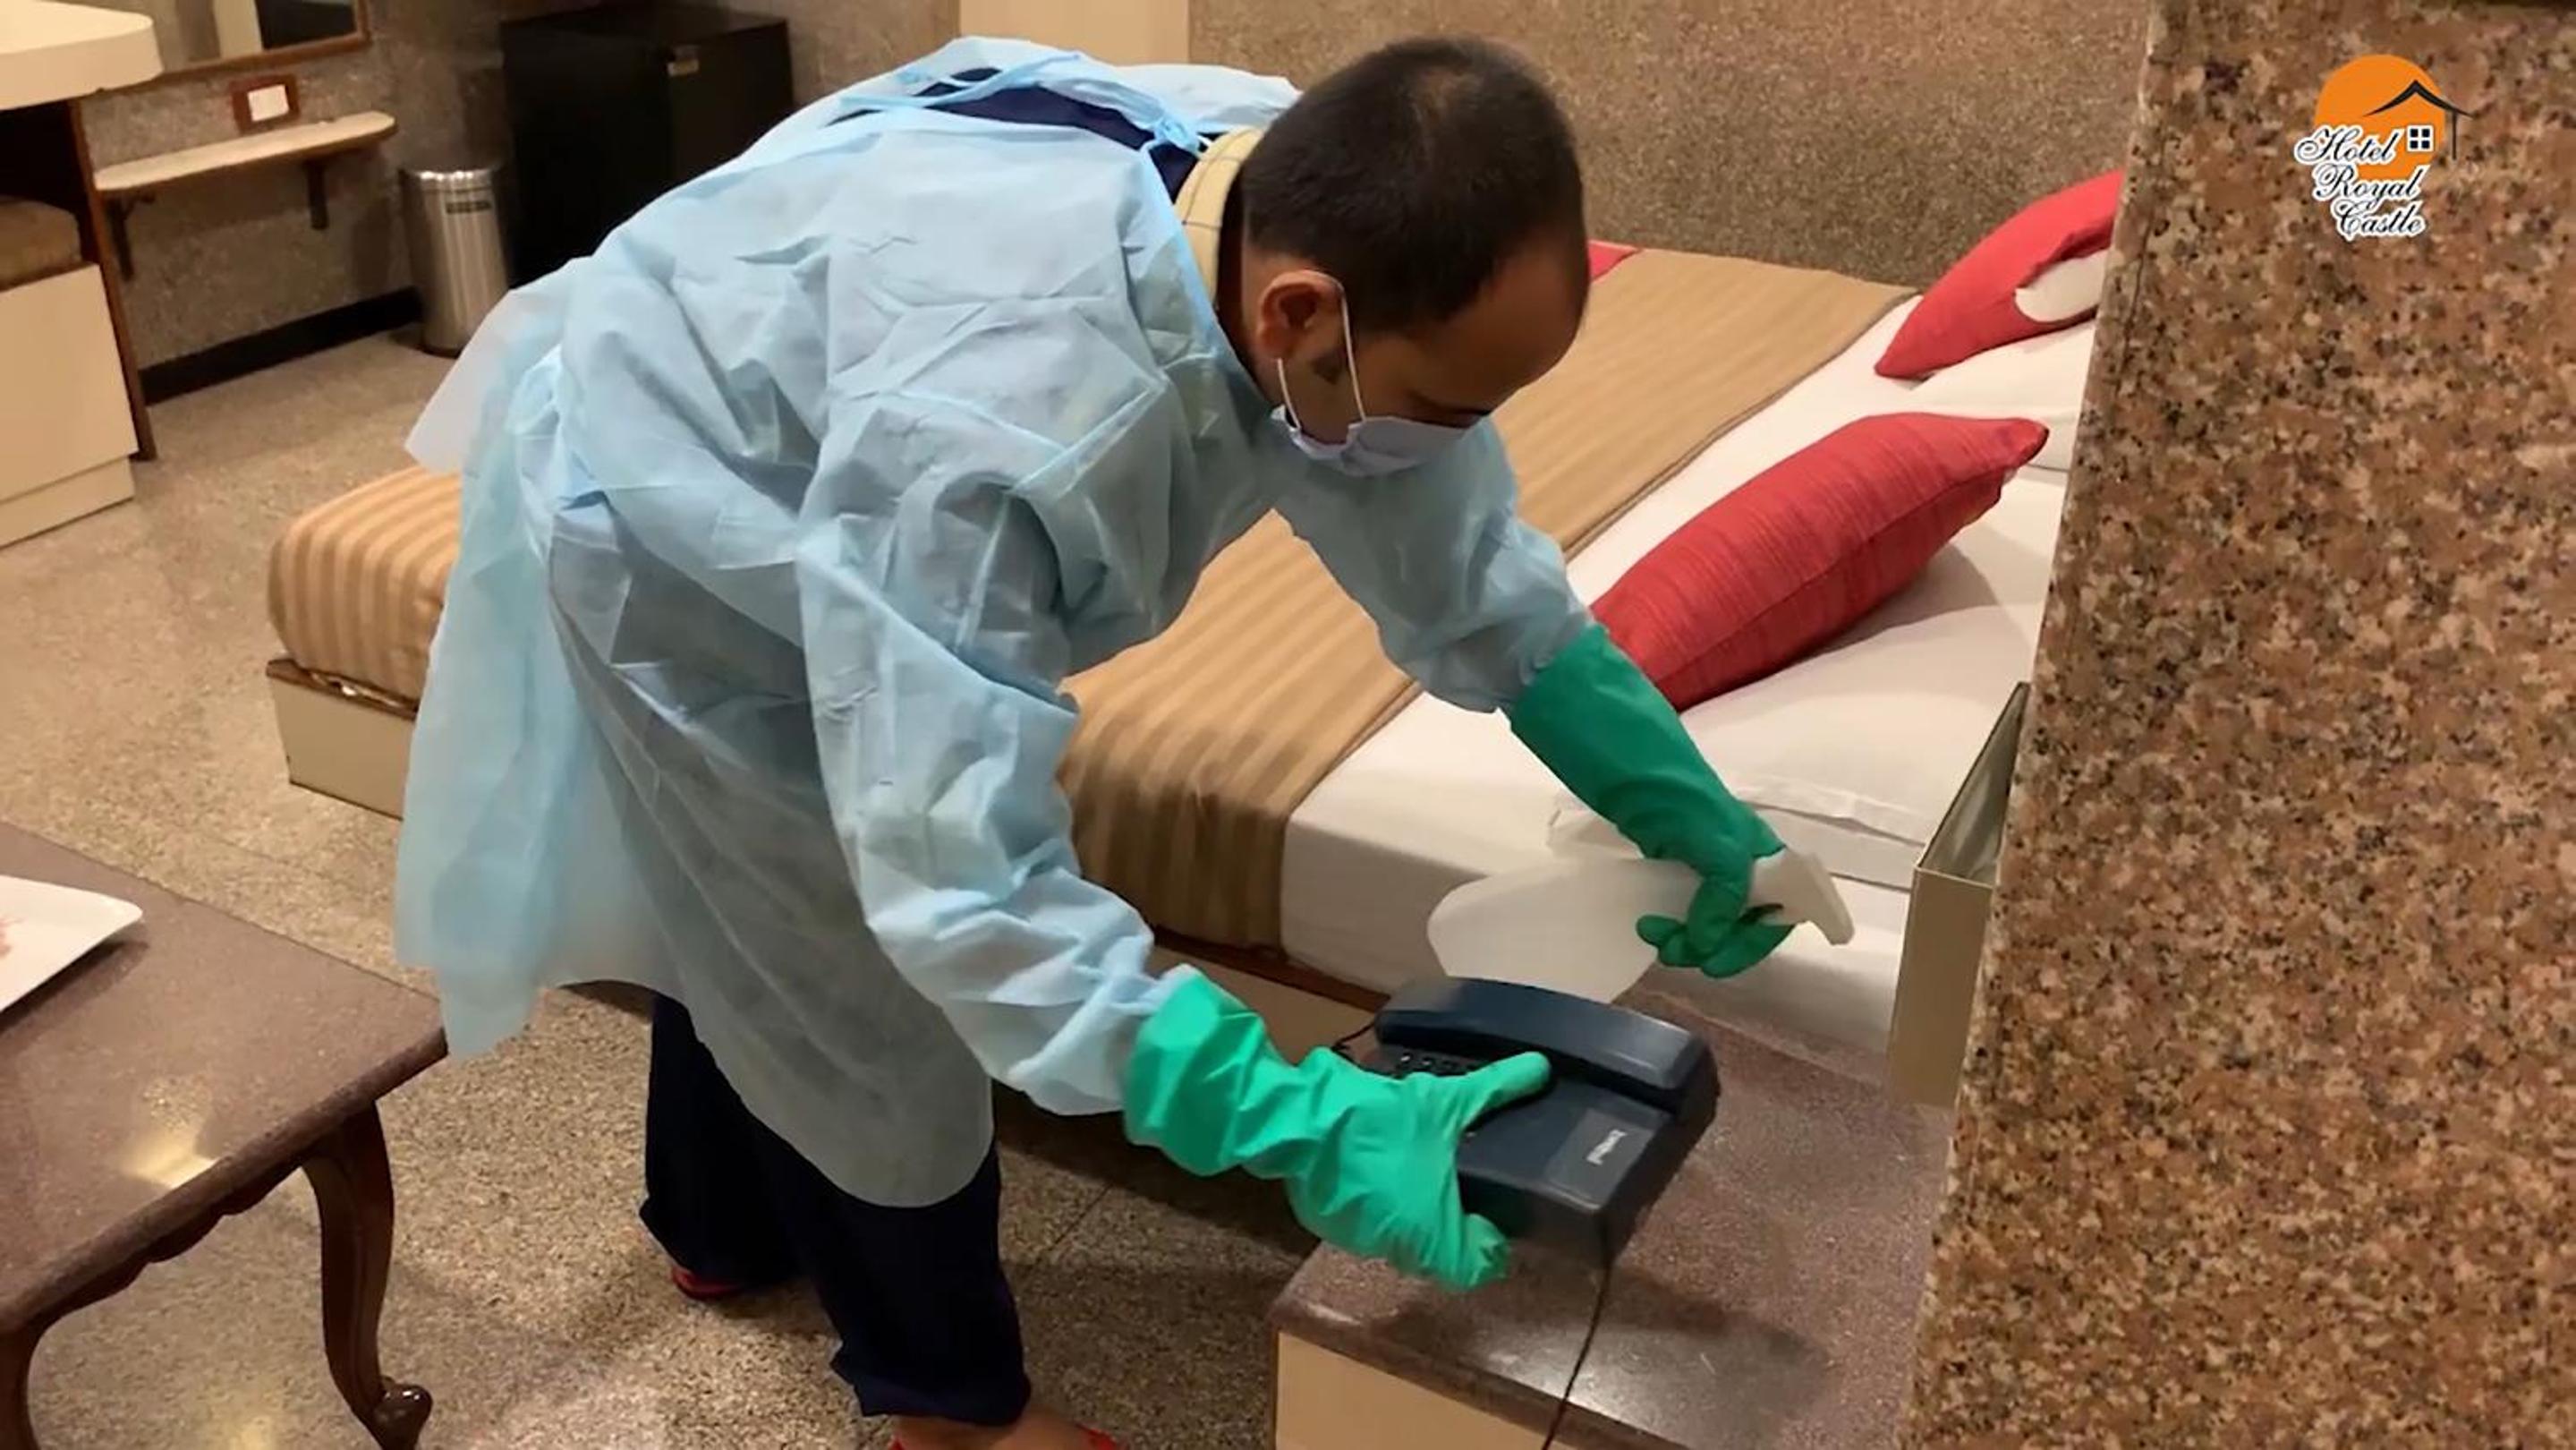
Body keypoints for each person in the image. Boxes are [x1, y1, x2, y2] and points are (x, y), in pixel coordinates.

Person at [395, 34, 1790, 1450]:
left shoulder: (1295, 199)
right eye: (1440, 411)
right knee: (846, 978)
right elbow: (965, 896)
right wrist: (1292, 1119)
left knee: (752, 921)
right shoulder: (1001, 426)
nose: (1450, 449)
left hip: (817, 380)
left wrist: (1670, 794)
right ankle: (952, 1412)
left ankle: (720, 1231)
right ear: (1296, 314)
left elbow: (1467, 563)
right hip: (674, 518)